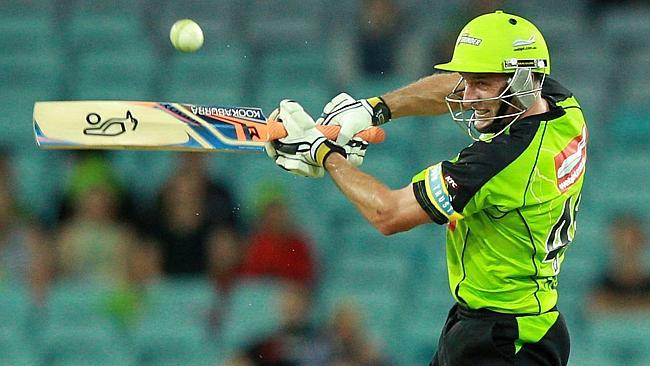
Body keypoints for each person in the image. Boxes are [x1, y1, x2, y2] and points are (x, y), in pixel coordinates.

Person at [265, 10, 587, 366]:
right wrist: (372, 109)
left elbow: (387, 214)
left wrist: (324, 153)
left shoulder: (500, 162)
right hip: (507, 327)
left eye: (481, 83)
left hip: (506, 343)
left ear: (524, 82)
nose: (468, 96)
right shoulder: (563, 109)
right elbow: (455, 85)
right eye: (467, 80)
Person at [589, 213, 650, 311]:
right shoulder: (601, 286)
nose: (628, 248)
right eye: (622, 243)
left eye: (632, 242)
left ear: (642, 242)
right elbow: (595, 307)